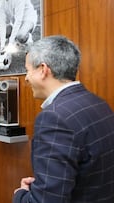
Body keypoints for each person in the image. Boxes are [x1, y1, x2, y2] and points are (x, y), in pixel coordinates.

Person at [13, 35, 114, 202]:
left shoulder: (54, 118)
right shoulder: (99, 103)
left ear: (43, 70)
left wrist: (20, 195)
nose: (26, 78)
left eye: (27, 70)